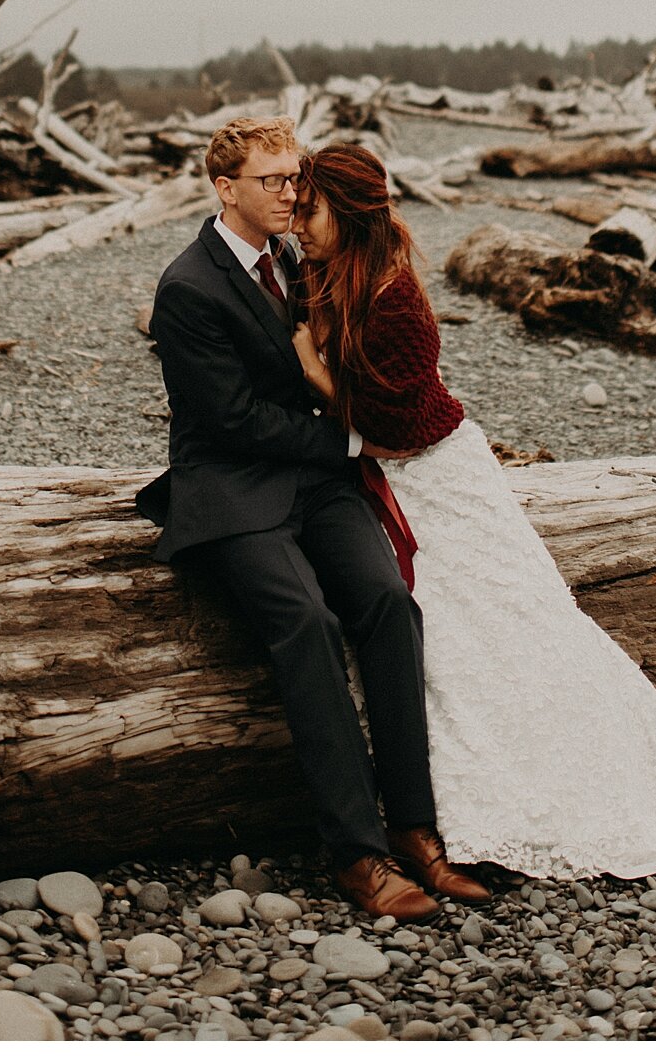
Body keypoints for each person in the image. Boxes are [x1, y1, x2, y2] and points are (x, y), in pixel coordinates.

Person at [291, 142, 656, 883]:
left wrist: (314, 370)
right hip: (385, 481)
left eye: (310, 206)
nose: (297, 218)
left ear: (349, 213)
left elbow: (393, 428)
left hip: (437, 478)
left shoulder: (398, 301)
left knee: (513, 627)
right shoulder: (324, 276)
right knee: (446, 643)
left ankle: (570, 785)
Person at [134, 115, 489, 920]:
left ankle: (415, 829)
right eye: (273, 180)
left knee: (391, 605)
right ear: (225, 190)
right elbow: (230, 421)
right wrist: (349, 438)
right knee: (305, 622)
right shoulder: (186, 287)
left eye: (296, 177)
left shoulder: (300, 258)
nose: (293, 192)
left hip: (317, 483)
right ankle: (356, 854)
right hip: (233, 487)